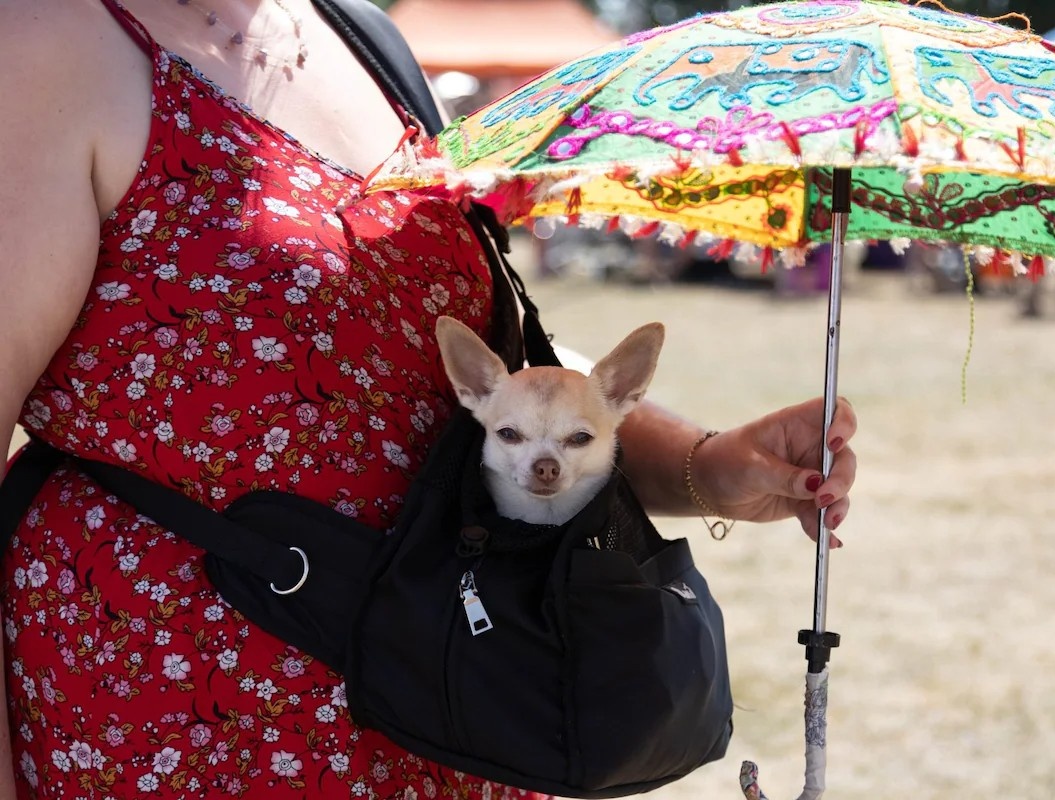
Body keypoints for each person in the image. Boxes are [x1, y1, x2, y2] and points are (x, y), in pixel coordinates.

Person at [0, 1, 857, 798]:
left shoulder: (365, 39)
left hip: (454, 707)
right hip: (181, 716)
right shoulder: (43, 41)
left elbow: (506, 379)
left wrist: (710, 466)